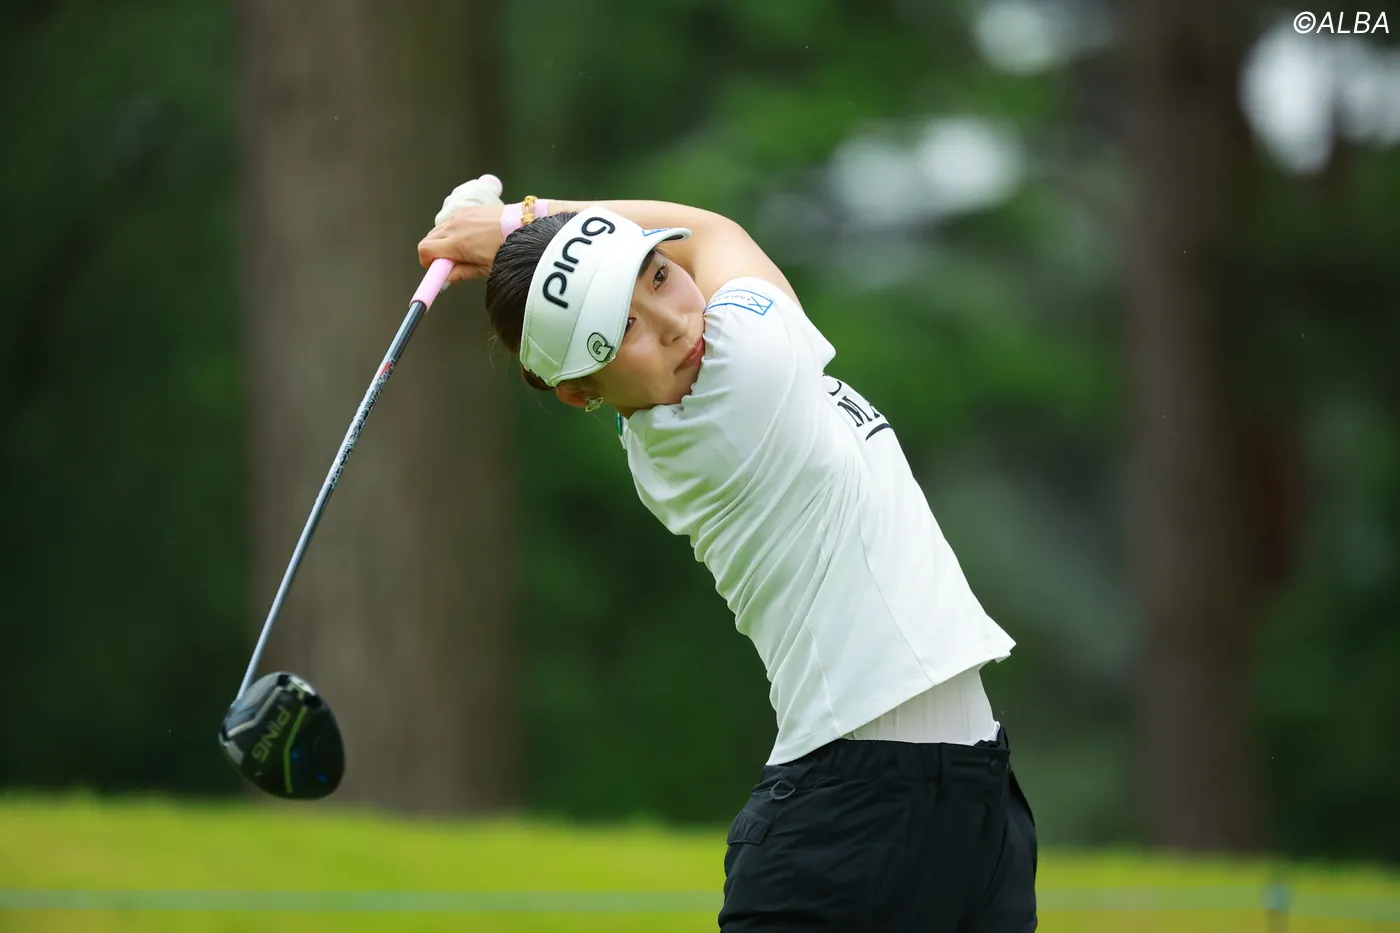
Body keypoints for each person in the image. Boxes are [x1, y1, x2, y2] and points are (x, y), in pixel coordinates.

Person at [418, 176, 1039, 932]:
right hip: (852, 819)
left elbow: (685, 263)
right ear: (580, 391)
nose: (676, 321)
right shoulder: (741, 376)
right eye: (625, 327)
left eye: (658, 276)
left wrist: (527, 239)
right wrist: (524, 219)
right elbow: (711, 233)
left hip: (969, 793)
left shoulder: (670, 400)